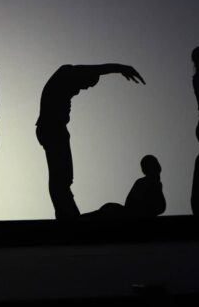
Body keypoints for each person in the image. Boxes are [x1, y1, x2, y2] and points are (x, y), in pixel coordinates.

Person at [36, 62, 145, 219]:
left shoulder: (66, 81)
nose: (82, 90)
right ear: (82, 77)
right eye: (85, 85)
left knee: (63, 177)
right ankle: (66, 213)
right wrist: (121, 68)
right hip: (52, 127)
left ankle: (67, 211)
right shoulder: (67, 73)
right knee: (61, 177)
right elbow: (99, 69)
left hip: (53, 128)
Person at [81, 154, 166, 220]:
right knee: (108, 209)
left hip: (131, 216)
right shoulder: (144, 183)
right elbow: (131, 204)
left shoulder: (153, 184)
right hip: (128, 215)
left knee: (108, 209)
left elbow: (160, 207)